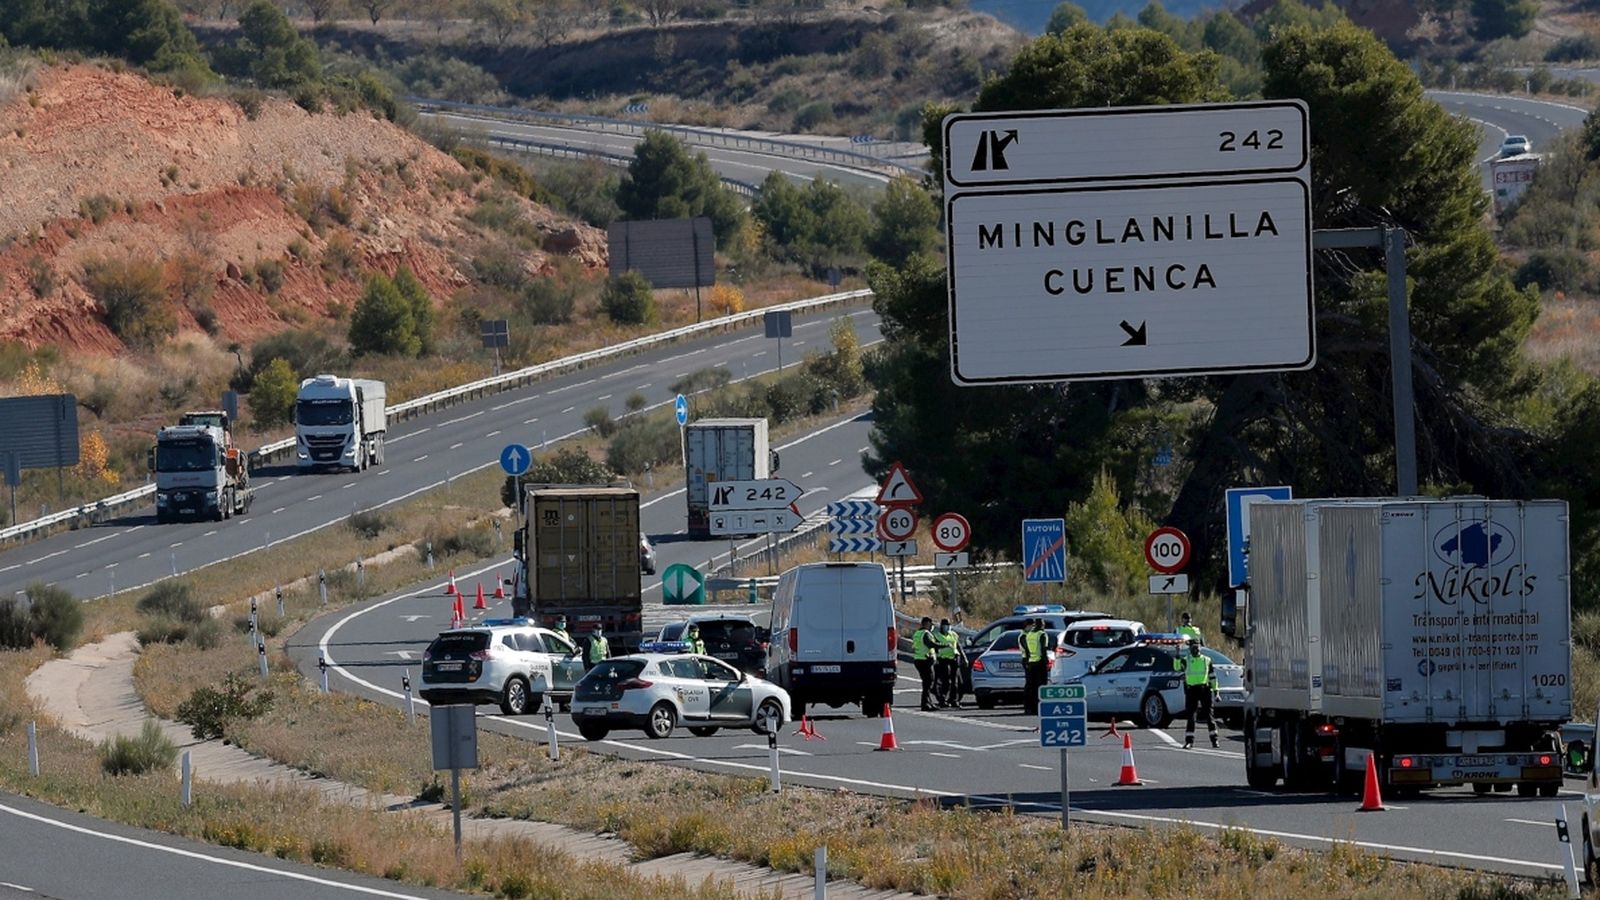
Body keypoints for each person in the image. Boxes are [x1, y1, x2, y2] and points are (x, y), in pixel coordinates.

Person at [1175, 638, 1219, 748]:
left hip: (1204, 689)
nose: (1195, 649)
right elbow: (1176, 668)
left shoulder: (1207, 660)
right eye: (1193, 647)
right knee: (1191, 716)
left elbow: (1212, 677)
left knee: (1209, 716)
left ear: (1200, 648)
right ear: (1190, 649)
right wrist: (1177, 655)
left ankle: (1214, 740)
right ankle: (1189, 741)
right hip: (1191, 690)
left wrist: (1216, 691)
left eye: (1197, 647)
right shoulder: (1186, 660)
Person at [1020, 618, 1049, 716]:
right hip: (1040, 663)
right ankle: (1039, 708)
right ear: (1042, 625)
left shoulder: (1029, 635)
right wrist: (1047, 662)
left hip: (1031, 662)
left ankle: (1030, 708)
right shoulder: (1042, 634)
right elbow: (1043, 649)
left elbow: (1027, 650)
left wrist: (1028, 661)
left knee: (1031, 687)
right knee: (1041, 686)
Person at [934, 619, 964, 709]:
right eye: (945, 625)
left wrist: (964, 658)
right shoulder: (937, 636)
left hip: (953, 659)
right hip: (943, 660)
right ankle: (942, 700)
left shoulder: (953, 635)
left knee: (956, 682)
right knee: (946, 682)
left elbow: (958, 647)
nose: (947, 627)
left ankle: (954, 700)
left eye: (948, 625)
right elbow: (934, 647)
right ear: (941, 626)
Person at [912, 616, 938, 711]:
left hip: (919, 659)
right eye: (930, 624)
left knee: (927, 682)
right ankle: (925, 704)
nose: (931, 626)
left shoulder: (917, 633)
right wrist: (944, 646)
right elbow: (930, 644)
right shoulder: (926, 634)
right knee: (928, 682)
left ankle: (928, 702)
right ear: (927, 624)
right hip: (925, 660)